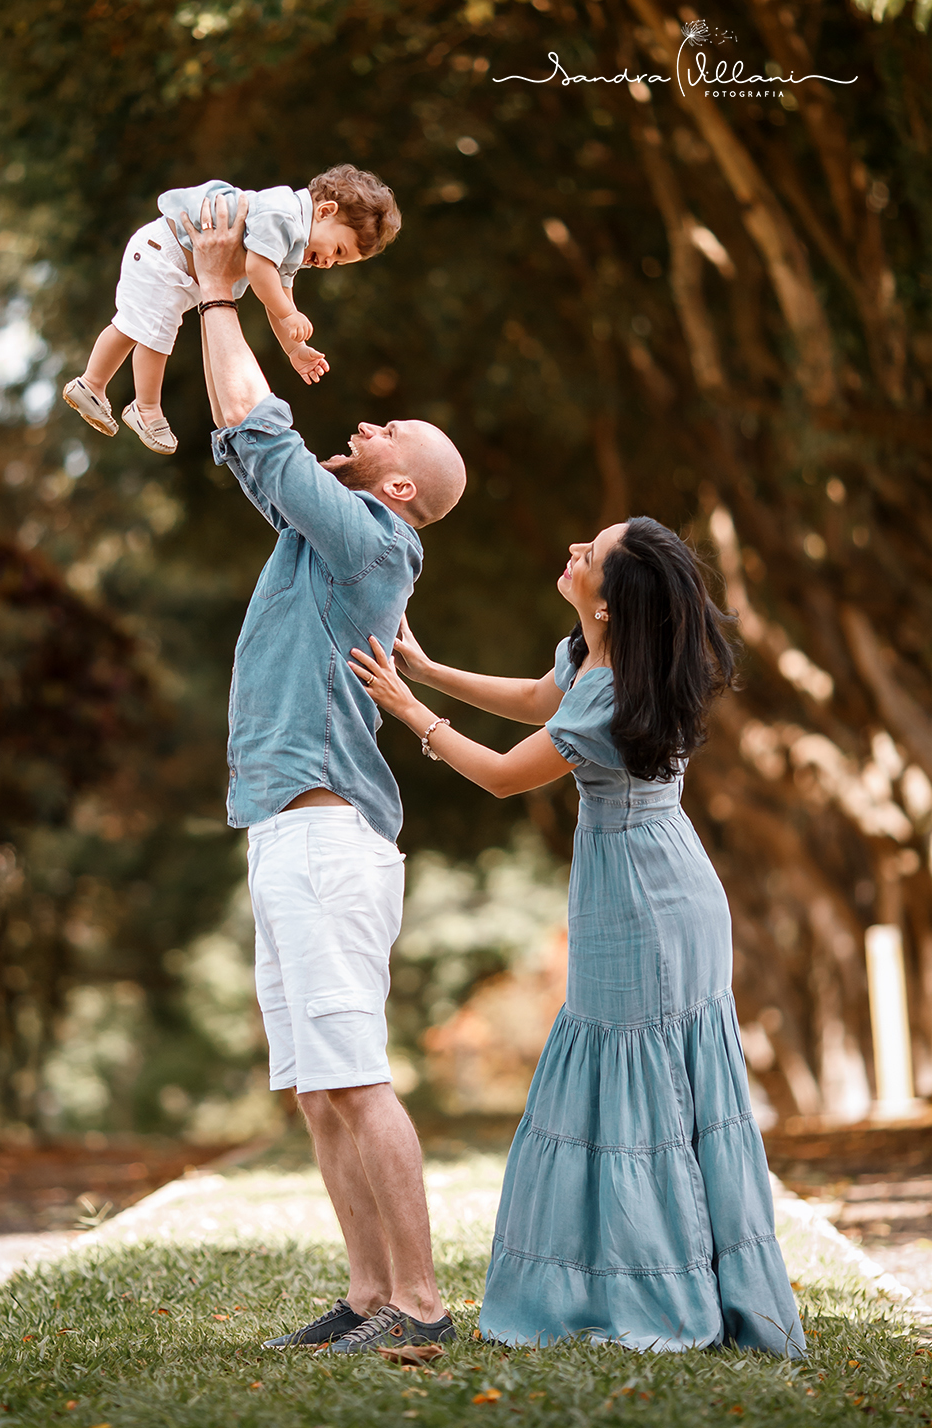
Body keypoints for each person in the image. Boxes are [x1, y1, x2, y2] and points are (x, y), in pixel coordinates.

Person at [350, 517, 806, 1356]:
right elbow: (534, 697)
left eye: (588, 555)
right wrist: (429, 668)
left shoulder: (612, 690)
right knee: (640, 1082)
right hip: (643, 878)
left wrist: (410, 710)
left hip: (647, 898)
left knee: (649, 1086)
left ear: (613, 595)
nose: (571, 554)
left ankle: (672, 1295)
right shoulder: (598, 663)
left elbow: (499, 776)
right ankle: (656, 1277)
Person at [185, 190, 467, 1356]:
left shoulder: (372, 538)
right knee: (314, 1089)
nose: (374, 424)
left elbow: (263, 428)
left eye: (392, 436)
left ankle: (423, 1305)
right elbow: (250, 444)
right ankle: (365, 1294)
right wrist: (231, 305)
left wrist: (215, 290)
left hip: (328, 838)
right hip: (286, 835)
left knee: (354, 1079)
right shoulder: (323, 532)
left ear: (399, 490)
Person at [62, 164, 400, 455]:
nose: (329, 262)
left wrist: (294, 348)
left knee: (133, 327)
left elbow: (279, 292)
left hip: (176, 265)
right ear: (325, 211)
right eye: (337, 250)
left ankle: (91, 384)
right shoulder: (283, 215)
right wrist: (289, 315)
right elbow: (258, 271)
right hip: (163, 253)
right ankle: (146, 408)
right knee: (155, 332)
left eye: (339, 263)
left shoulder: (293, 239)